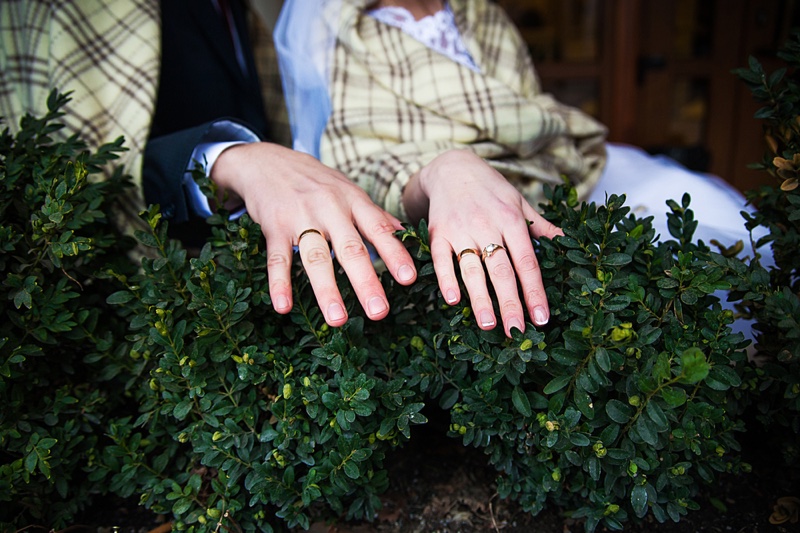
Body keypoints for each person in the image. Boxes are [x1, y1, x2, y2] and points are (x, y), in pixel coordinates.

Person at [275, 0, 769, 339]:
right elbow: (356, 160)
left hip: (560, 165)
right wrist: (445, 168)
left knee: (723, 226)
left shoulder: (478, 12)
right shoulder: (340, 29)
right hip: (452, 194)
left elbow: (527, 110)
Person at [0, 0, 420, 328]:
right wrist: (229, 159)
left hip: (241, 286)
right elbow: (84, 158)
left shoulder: (245, 14)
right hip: (131, 306)